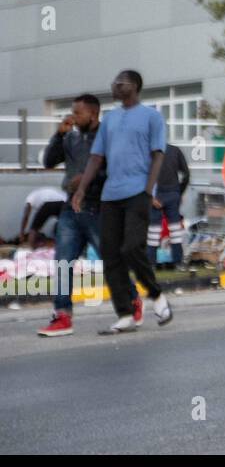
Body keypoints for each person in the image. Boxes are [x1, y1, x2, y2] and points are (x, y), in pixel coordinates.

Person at [71, 70, 174, 334]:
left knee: (131, 248)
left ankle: (156, 295)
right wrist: (81, 190)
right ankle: (125, 314)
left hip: (137, 192)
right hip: (110, 195)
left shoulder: (151, 116)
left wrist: (148, 190)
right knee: (110, 254)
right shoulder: (110, 119)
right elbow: (96, 157)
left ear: (135, 86)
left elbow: (158, 155)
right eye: (113, 80)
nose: (114, 85)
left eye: (121, 82)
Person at [38, 95, 106, 337]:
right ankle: (63, 315)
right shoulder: (71, 138)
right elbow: (48, 161)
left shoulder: (106, 137)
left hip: (98, 208)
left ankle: (130, 300)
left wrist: (89, 179)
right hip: (70, 208)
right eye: (72, 114)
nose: (74, 119)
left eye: (78, 114)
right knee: (63, 262)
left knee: (111, 262)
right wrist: (58, 135)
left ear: (93, 114)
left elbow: (113, 171)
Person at [148, 143, 190, 269]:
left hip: (155, 195)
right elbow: (186, 174)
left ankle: (151, 263)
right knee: (176, 230)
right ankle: (178, 262)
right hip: (173, 193)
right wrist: (178, 192)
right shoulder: (175, 150)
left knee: (153, 232)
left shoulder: (147, 152)